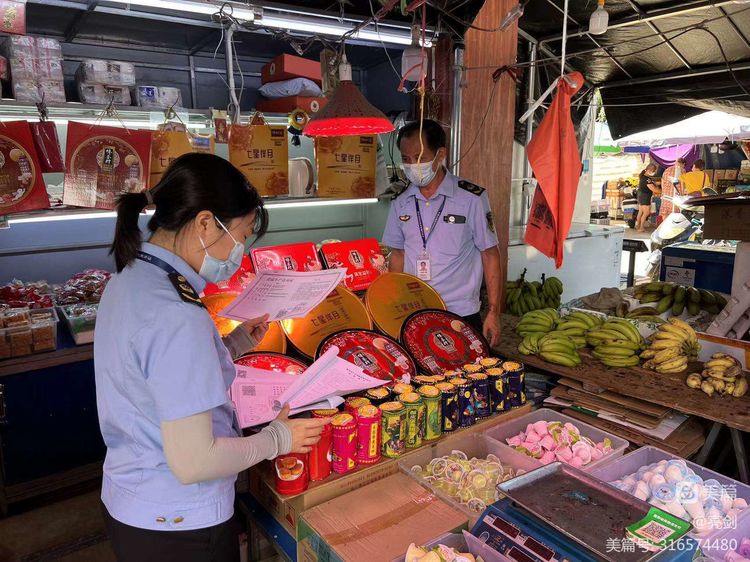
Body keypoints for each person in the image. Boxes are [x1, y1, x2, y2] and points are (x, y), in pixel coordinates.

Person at [95, 153, 330, 561]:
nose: (240, 250)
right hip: (179, 524)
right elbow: (195, 461)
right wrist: (278, 438)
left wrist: (234, 344)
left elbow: (153, 374)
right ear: (205, 223)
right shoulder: (176, 312)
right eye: (240, 235)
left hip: (136, 502)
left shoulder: (132, 277)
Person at [382, 119, 502, 346]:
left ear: (440, 154)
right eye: (406, 159)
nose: (412, 166)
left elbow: (490, 254)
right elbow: (397, 255)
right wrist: (392, 308)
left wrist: (494, 311)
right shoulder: (401, 202)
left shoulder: (471, 198)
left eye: (419, 158)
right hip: (414, 313)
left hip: (460, 312)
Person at [635, 163, 660, 232]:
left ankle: (638, 226)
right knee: (646, 213)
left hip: (640, 196)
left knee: (641, 212)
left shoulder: (643, 176)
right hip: (645, 197)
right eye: (653, 171)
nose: (654, 173)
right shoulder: (647, 179)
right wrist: (661, 191)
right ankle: (641, 228)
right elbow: (653, 189)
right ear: (650, 170)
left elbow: (653, 183)